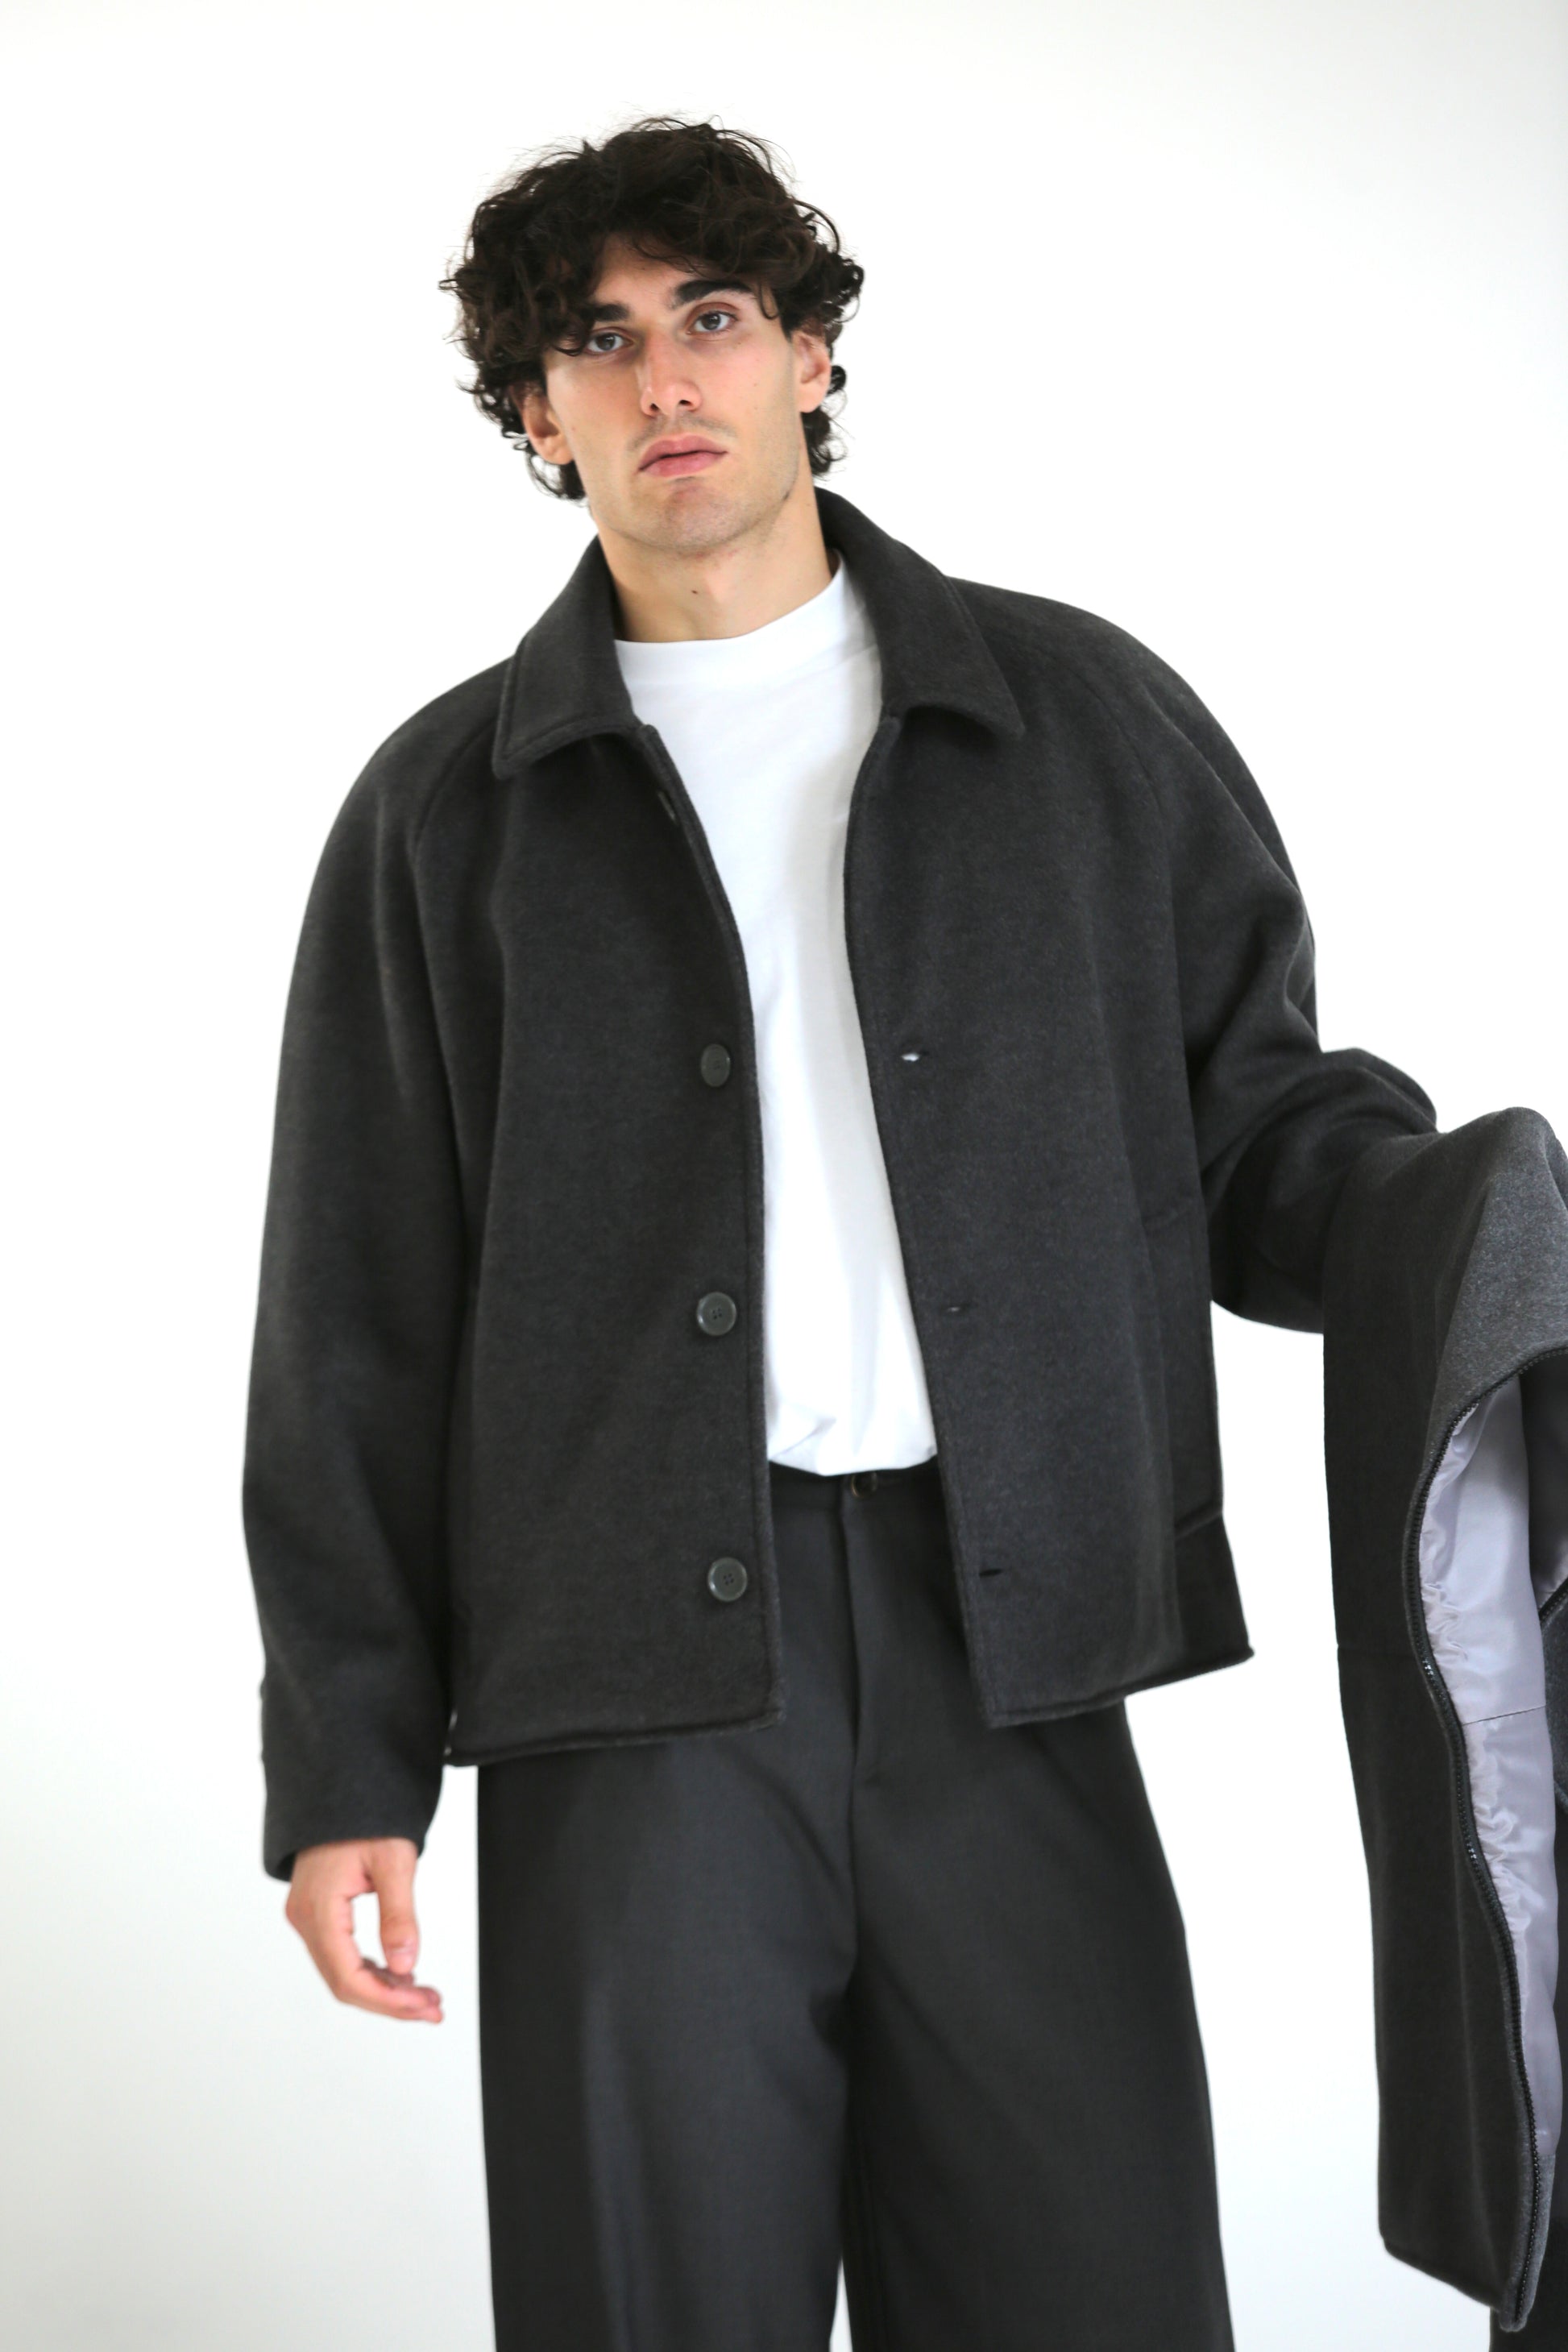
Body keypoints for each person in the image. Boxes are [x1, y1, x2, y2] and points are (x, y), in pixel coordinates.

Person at [243, 116, 1566, 2350]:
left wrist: (1469, 1219)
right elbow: (353, 1311)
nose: (666, 378)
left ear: (811, 355)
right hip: (622, 1705)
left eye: (713, 316)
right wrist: (343, 1765)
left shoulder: (1072, 723)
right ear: (538, 415)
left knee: (1094, 2296)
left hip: (1008, 1644)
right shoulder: (445, 813)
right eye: (596, 341)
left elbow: (1252, 1123)